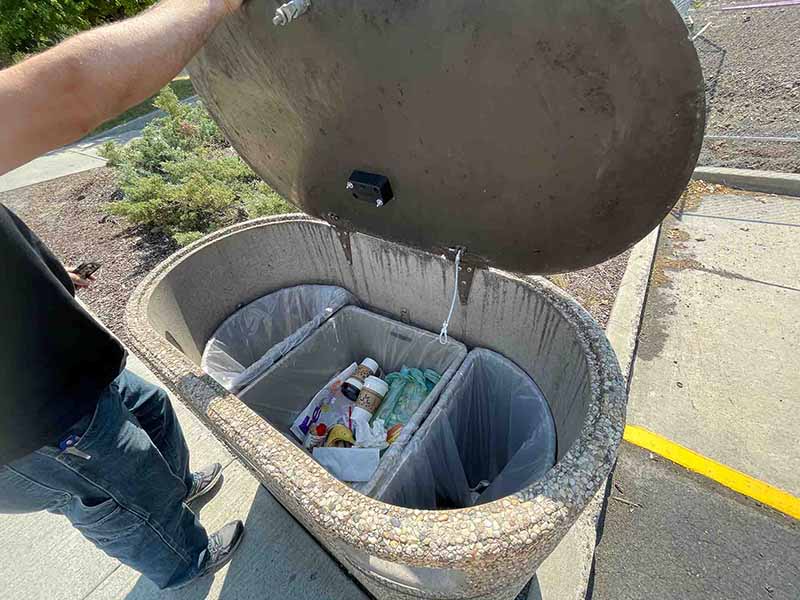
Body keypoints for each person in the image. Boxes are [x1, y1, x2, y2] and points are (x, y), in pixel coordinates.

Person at [0, 0, 247, 590]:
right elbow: (71, 89)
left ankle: (177, 489)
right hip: (30, 421)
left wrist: (53, 273)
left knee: (154, 411)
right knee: (125, 498)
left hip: (63, 369)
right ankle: (182, 560)